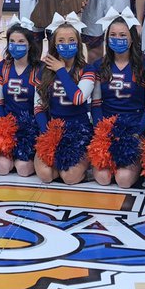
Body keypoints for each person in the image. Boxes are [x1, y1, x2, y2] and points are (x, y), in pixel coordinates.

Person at [89, 8, 145, 188]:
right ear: (107, 39)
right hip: (107, 128)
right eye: (113, 35)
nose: (118, 39)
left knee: (123, 180)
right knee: (103, 178)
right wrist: (102, 131)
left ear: (132, 39)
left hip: (134, 129)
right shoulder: (99, 66)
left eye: (123, 35)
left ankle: (138, 163)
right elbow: (96, 105)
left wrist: (137, 132)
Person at [34, 14, 95, 185]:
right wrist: (47, 134)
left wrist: (61, 70)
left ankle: (87, 168)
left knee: (70, 177)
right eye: (61, 40)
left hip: (79, 132)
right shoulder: (44, 71)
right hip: (53, 129)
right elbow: (38, 107)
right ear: (54, 44)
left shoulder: (87, 70)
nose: (66, 44)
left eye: (71, 40)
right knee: (45, 174)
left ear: (78, 43)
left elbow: (77, 98)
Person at [0, 17, 42, 177]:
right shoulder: (3, 66)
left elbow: (39, 107)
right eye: (12, 41)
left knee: (23, 169)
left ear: (29, 44)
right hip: (7, 125)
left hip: (30, 126)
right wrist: (1, 129)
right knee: (3, 167)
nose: (15, 45)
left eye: (21, 41)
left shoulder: (39, 68)